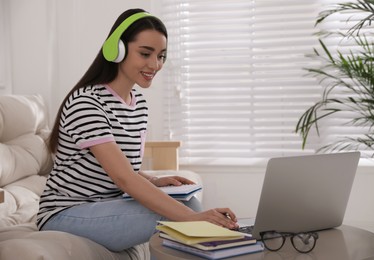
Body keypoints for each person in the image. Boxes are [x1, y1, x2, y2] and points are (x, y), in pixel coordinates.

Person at [37, 8, 238, 252]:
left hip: (105, 205)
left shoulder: (138, 103)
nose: (155, 64)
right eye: (145, 53)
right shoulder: (86, 103)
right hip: (66, 214)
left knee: (191, 205)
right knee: (181, 217)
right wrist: (191, 218)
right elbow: (123, 178)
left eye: (161, 56)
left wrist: (154, 180)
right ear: (117, 49)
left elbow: (119, 166)